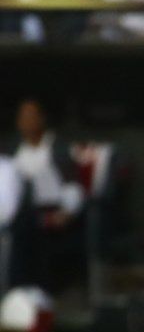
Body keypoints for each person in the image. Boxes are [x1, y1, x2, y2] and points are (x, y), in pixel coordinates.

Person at [8, 99, 87, 291]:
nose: (27, 122)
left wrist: (67, 212)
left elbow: (73, 187)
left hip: (50, 212)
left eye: (31, 116)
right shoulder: (13, 150)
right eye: (23, 117)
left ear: (42, 119)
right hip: (17, 214)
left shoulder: (58, 148)